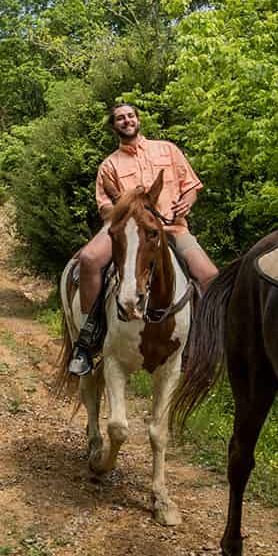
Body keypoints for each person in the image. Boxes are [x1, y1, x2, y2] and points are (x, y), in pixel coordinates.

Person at [65, 103, 220, 376]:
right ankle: (87, 339)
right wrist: (130, 209)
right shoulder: (109, 165)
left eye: (130, 116)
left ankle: (199, 345)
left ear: (138, 120)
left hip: (172, 228)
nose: (127, 121)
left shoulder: (167, 150)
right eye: (120, 118)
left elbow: (192, 186)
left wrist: (187, 203)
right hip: (127, 231)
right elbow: (105, 209)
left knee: (210, 276)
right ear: (114, 127)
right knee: (89, 259)